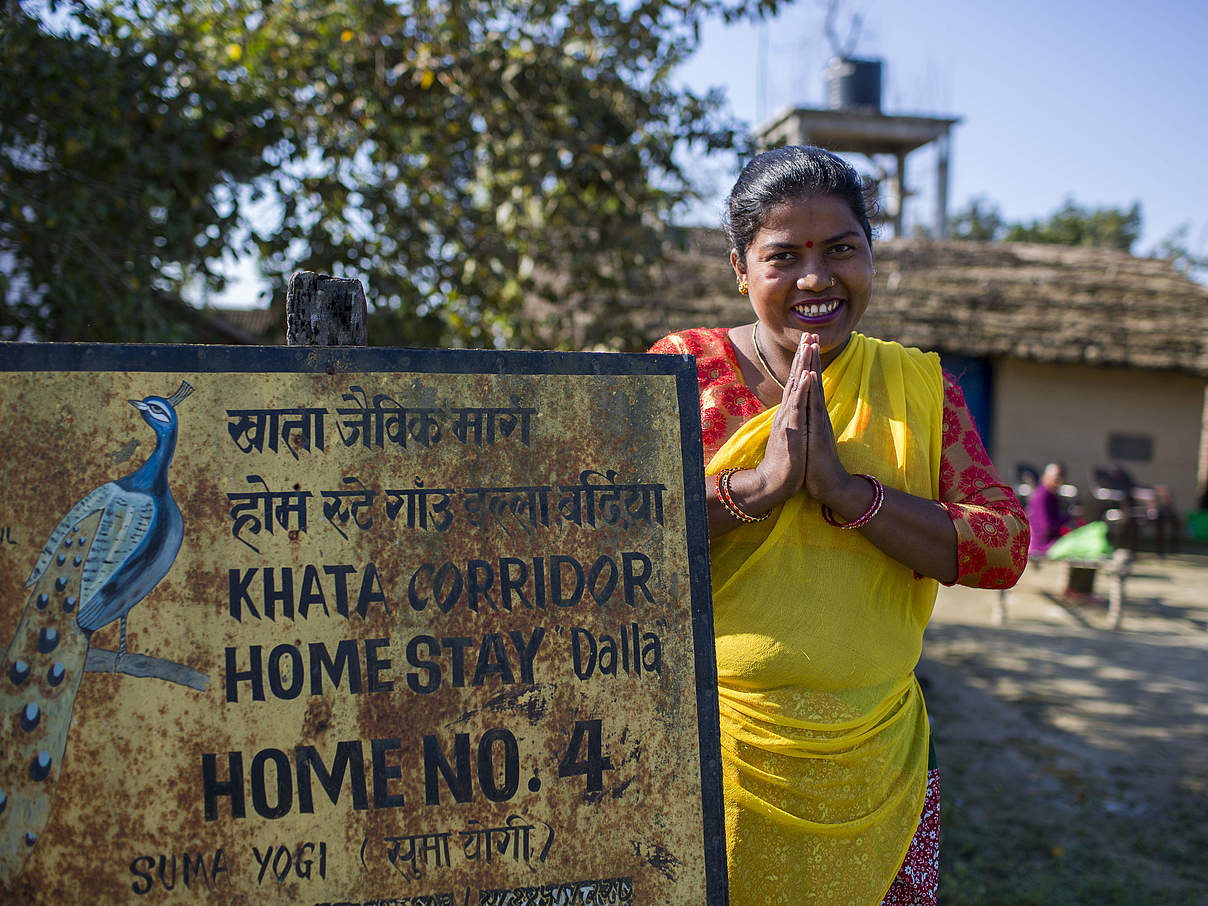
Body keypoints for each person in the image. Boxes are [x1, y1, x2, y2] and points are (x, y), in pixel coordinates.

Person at [649, 146, 1029, 906]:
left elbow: (1003, 546)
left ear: (870, 257)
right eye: (783, 257)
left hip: (879, 766)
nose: (817, 278)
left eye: (842, 250)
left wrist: (854, 497)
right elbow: (613, 533)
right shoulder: (684, 373)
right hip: (711, 754)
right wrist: (756, 488)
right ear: (739, 268)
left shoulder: (920, 387)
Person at [1027, 462, 1069, 556]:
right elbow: (1045, 528)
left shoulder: (1051, 496)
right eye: (1056, 478)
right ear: (1045, 478)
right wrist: (1067, 521)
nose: (1059, 481)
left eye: (1062, 478)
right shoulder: (1043, 496)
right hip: (1043, 546)